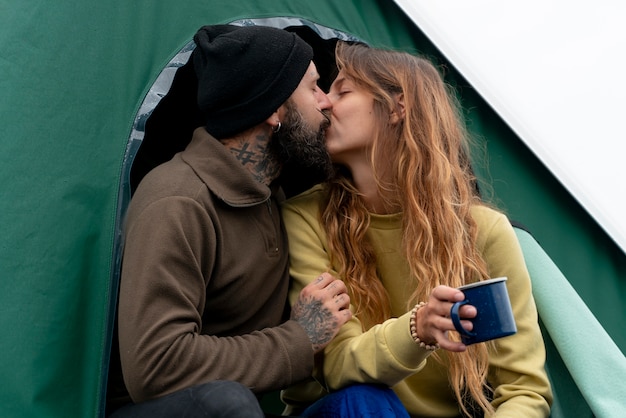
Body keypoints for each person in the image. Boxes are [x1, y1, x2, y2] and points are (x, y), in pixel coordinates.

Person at [280, 42, 553, 417]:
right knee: (364, 400)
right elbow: (338, 365)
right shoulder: (306, 217)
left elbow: (523, 390)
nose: (324, 103)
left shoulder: (482, 232)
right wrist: (417, 329)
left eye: (342, 91)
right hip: (342, 409)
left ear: (397, 107)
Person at [106, 24, 352, 417]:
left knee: (356, 405)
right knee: (225, 403)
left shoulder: (271, 194)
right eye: (313, 88)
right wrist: (300, 338)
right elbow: (157, 365)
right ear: (274, 109)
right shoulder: (178, 201)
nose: (326, 102)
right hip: (158, 410)